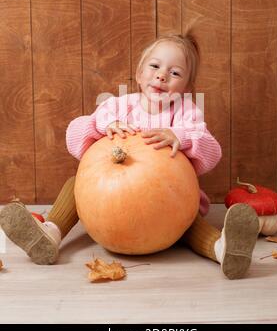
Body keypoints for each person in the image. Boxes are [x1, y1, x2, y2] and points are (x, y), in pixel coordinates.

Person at [0, 33, 259, 279]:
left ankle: (223, 249)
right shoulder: (116, 107)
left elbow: (211, 151)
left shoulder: (185, 113)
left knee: (189, 221)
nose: (161, 76)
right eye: (155, 66)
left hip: (170, 203)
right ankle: (49, 234)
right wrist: (102, 126)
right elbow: (75, 137)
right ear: (139, 73)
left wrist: (181, 137)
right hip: (109, 204)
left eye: (175, 72)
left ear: (186, 87)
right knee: (75, 184)